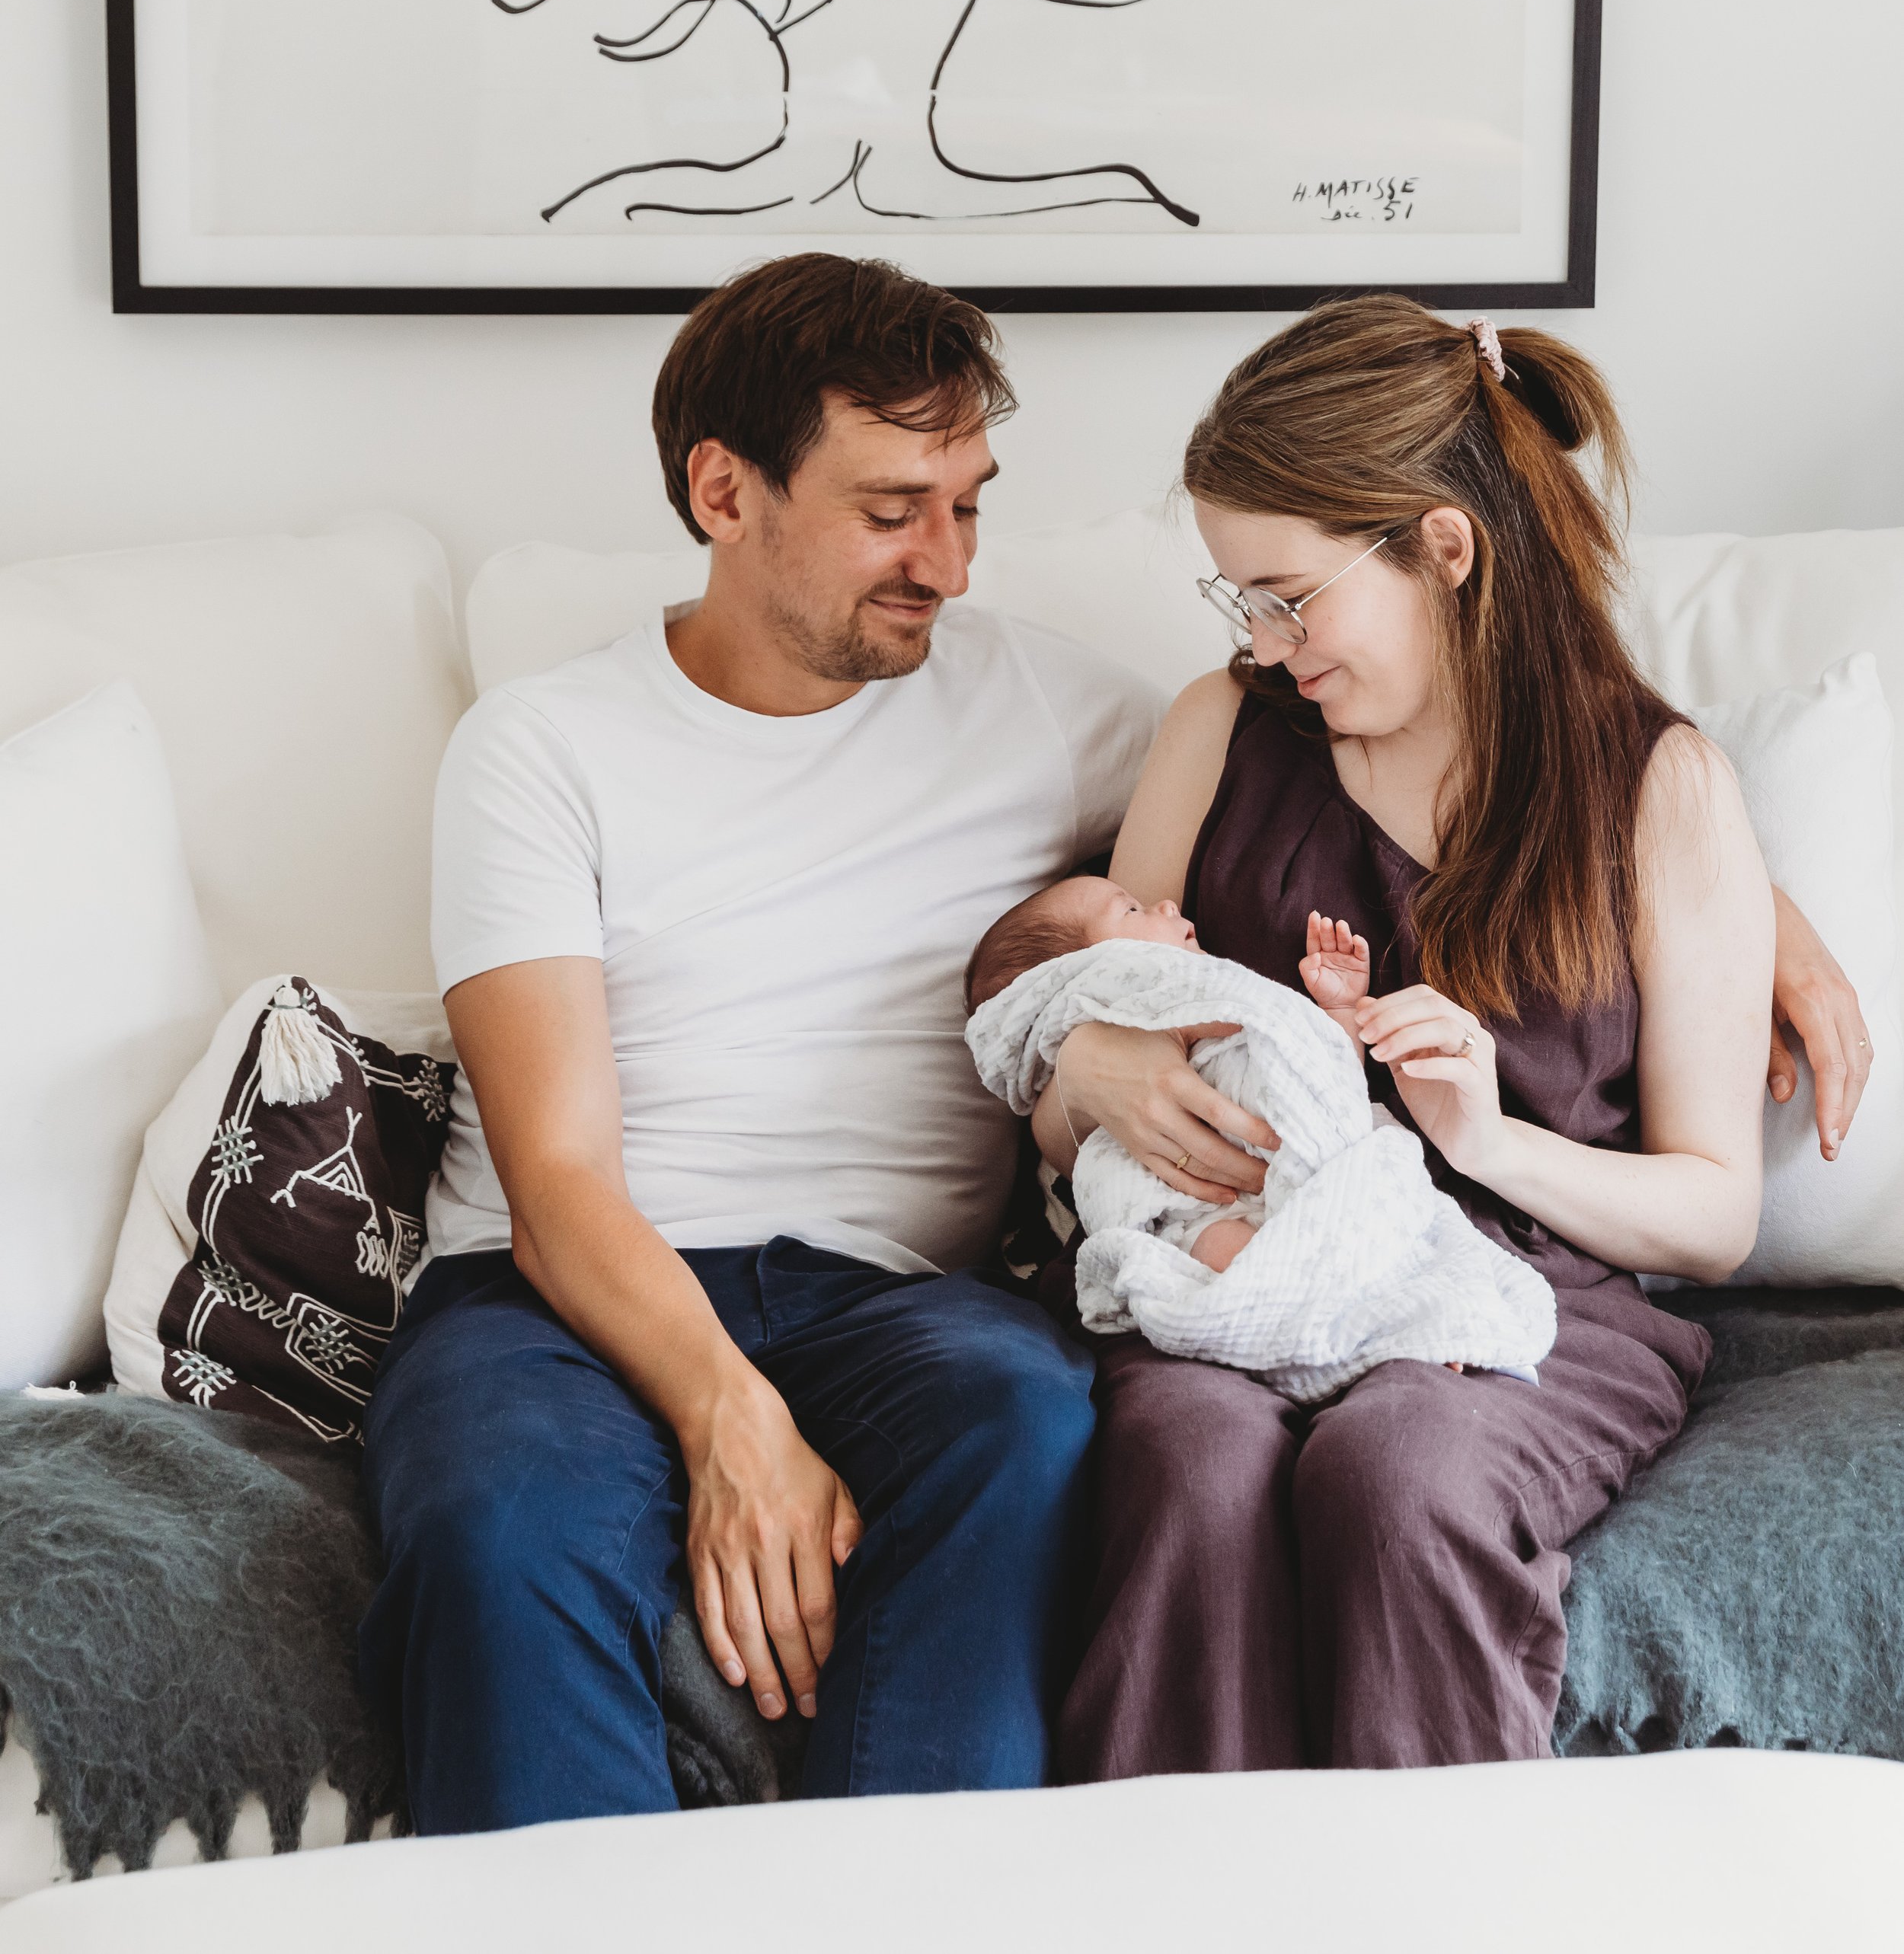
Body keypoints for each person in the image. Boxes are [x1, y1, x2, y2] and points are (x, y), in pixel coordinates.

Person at [357, 255, 1165, 1832]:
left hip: (896, 1300)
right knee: (499, 1517)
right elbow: (558, 1181)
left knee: (1025, 1415)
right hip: (559, 1294)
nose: (948, 563)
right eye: (892, 510)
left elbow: (1343, 779)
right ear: (723, 491)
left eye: (968, 505)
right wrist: (731, 1418)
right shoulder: (543, 745)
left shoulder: (1058, 712)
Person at [1035, 298, 1881, 1777]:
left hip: (1531, 1288)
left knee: (1402, 1467)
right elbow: (1083, 1073)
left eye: (1289, 596)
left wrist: (1486, 1140)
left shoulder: (1657, 787)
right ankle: (1172, 1887)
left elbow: (1710, 1211)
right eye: (1238, 598)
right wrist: (1083, 1074)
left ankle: (1438, 1887)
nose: (1263, 639)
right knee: (1188, 1456)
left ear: (1443, 545)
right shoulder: (1217, 730)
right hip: (1249, 1254)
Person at [966, 881, 1370, 1272]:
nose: (1167, 904)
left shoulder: (1206, 999)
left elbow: (1333, 1090)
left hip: (1335, 1175)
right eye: (1132, 909)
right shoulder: (1154, 1004)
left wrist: (1341, 1012)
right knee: (1216, 1247)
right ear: (1090, 969)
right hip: (1209, 1214)